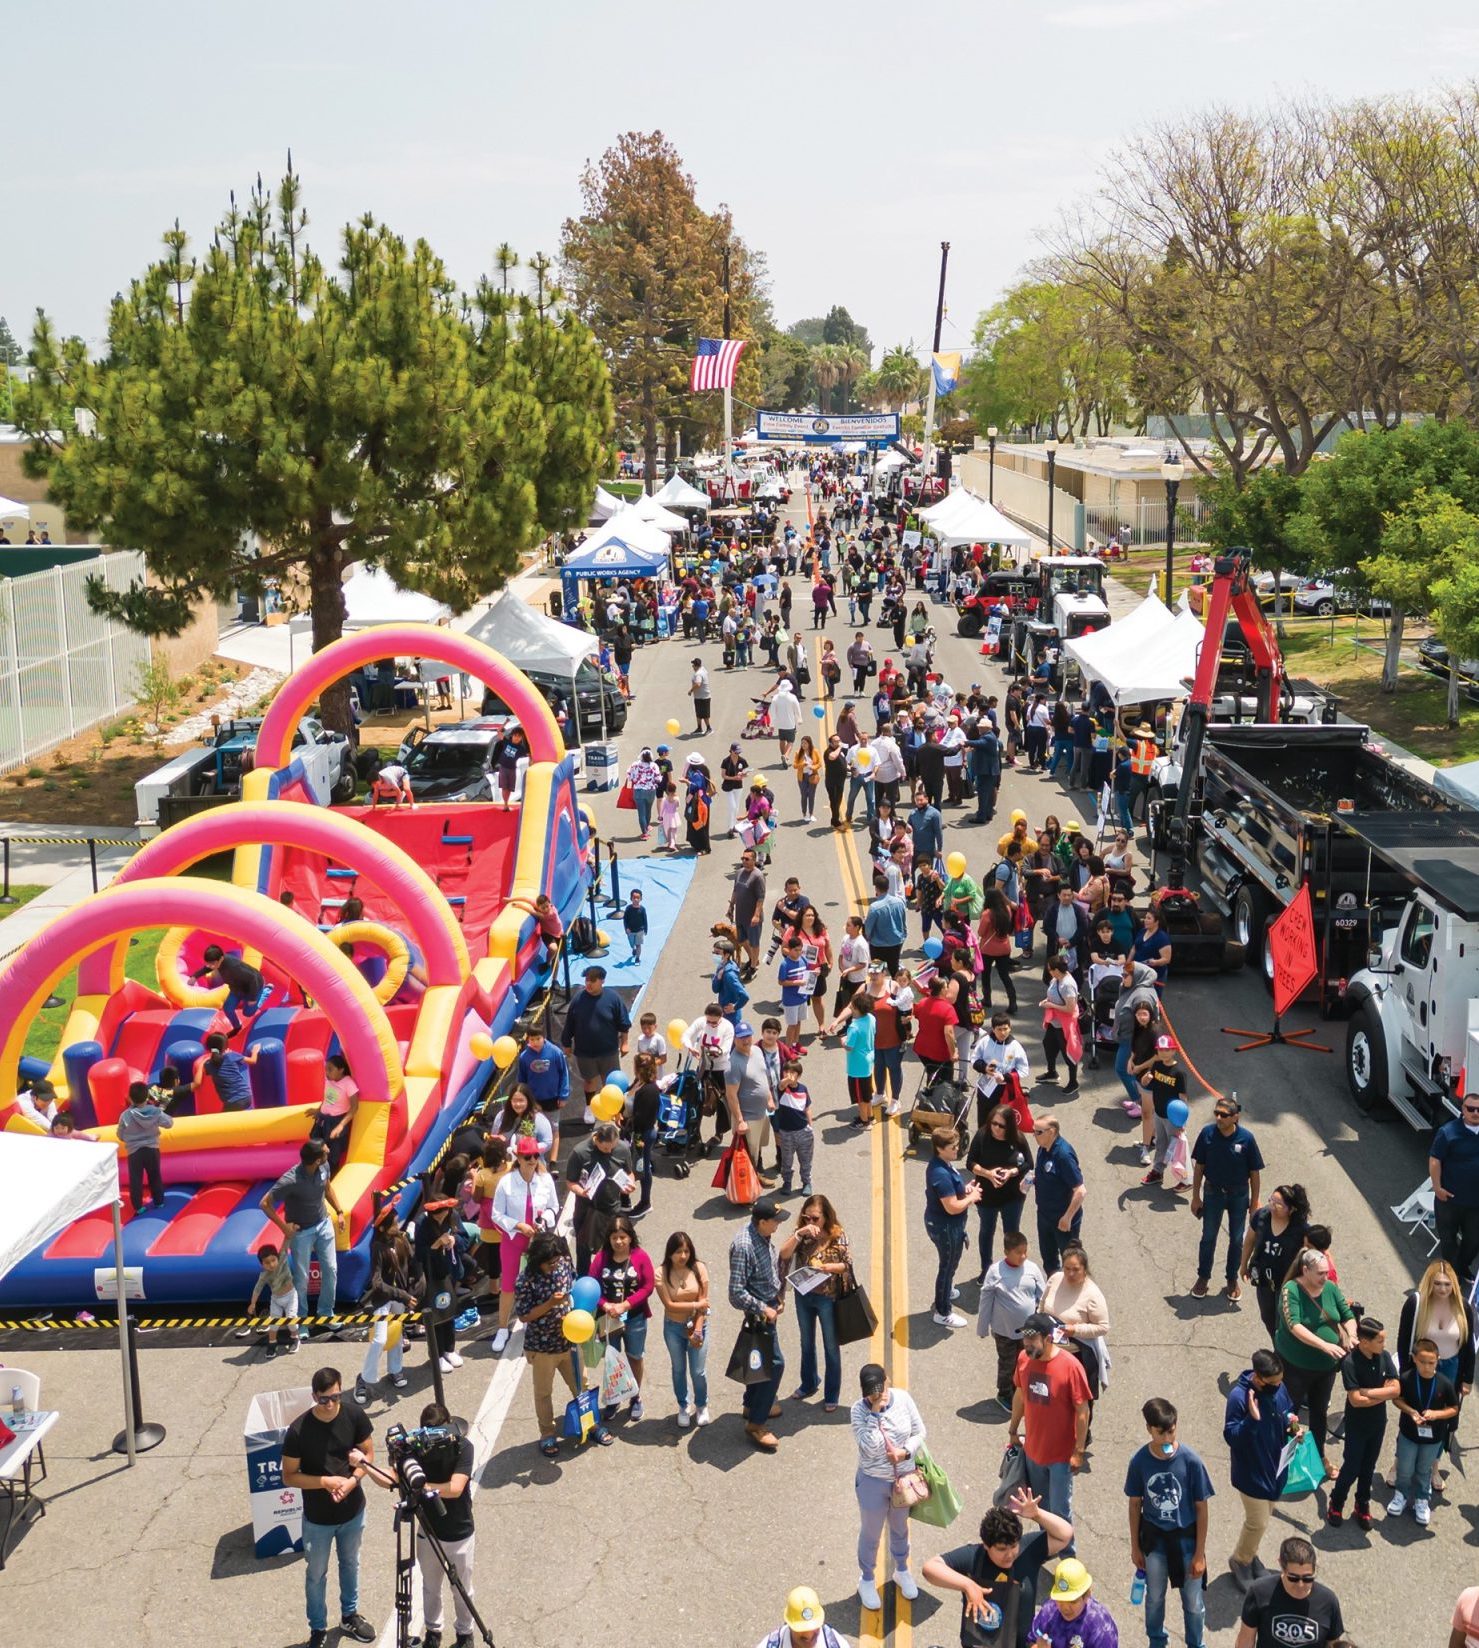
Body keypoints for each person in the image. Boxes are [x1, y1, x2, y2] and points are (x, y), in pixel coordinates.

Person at [280, 1367, 378, 1647]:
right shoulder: (298, 1431)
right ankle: (318, 1629)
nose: (331, 1404)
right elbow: (289, 1475)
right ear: (314, 1397)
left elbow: (368, 1454)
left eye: (335, 1396)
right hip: (318, 1519)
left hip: (353, 1511)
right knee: (316, 1575)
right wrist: (326, 1481)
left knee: (350, 1564)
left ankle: (350, 1615)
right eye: (324, 1399)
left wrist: (352, 1481)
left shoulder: (355, 1415)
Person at [921, 1488, 1074, 1648]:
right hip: (979, 1643)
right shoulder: (974, 1557)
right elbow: (930, 1568)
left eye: (1013, 1546)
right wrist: (968, 1585)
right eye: (1001, 1549)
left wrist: (1037, 1514)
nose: (1009, 1555)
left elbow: (1065, 1534)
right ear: (986, 1545)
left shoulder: (1028, 1550)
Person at [514, 1228, 612, 1455]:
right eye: (550, 1263)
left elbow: (577, 1287)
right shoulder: (525, 1280)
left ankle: (591, 1424)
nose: (555, 1266)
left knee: (582, 1386)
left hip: (571, 1342)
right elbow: (524, 1315)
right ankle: (547, 1434)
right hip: (542, 1347)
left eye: (557, 1261)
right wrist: (549, 1304)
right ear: (537, 1260)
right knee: (543, 1393)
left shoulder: (564, 1263)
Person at [1125, 1397, 1213, 1648]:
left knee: (1194, 1603)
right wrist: (1135, 1546)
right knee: (1154, 1598)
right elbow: (1134, 1505)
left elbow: (1202, 1508)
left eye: (1171, 1431)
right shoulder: (1140, 1461)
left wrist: (1199, 1554)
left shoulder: (1191, 1461)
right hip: (1155, 1543)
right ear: (1148, 1429)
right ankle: (1156, 1640)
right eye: (1160, 1433)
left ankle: (1196, 1644)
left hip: (1186, 1542)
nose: (1166, 1439)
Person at [851, 1362, 926, 1611]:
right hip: (872, 1482)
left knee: (900, 1528)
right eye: (871, 1391)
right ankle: (867, 1579)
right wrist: (875, 1412)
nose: (877, 1394)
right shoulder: (858, 1411)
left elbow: (919, 1431)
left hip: (902, 1481)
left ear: (888, 1381)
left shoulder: (903, 1399)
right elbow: (869, 1448)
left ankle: (902, 1570)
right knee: (871, 1534)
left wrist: (905, 1453)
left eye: (880, 1388)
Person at [1223, 1348, 1301, 1588]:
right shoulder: (1239, 1397)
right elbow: (1232, 1436)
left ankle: (1251, 1554)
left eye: (1280, 1382)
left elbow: (1286, 1409)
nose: (1278, 1386)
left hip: (1275, 1468)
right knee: (1257, 1522)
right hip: (1252, 1473)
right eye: (1272, 1383)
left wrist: (1292, 1426)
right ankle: (1240, 1560)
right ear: (1258, 1378)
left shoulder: (1278, 1388)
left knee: (1264, 1518)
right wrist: (1251, 1420)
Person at [1274, 1247, 1355, 1472]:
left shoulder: (1329, 1288)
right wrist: (1325, 1345)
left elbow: (1347, 1316)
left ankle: (1319, 1457)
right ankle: (1284, 1460)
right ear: (1305, 1270)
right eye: (1320, 1273)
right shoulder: (1291, 1290)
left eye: (1327, 1273)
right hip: (1296, 1365)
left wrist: (1351, 1335)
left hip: (1325, 1368)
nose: (1325, 1277)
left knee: (1319, 1413)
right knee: (1290, 1412)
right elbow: (1294, 1325)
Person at [1009, 1311, 1092, 1530]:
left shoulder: (1070, 1367)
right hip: (1033, 1451)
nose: (1027, 1345)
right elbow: (1020, 1395)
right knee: (1038, 1509)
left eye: (1032, 1340)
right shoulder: (1023, 1359)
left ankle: (1067, 1558)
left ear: (1048, 1338)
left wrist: (1078, 1451)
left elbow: (1083, 1411)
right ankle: (1043, 1548)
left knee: (1060, 1512)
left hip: (1061, 1456)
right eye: (1025, 1339)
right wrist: (1013, 1430)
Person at [260, 1139, 346, 1332]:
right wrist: (284, 1228)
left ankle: (326, 1313)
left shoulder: (324, 1166)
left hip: (323, 1224)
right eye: (325, 1151)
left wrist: (339, 1211)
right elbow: (264, 1203)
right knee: (301, 1278)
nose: (329, 1151)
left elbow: (327, 1187)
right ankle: (301, 1321)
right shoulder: (290, 1180)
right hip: (301, 1233)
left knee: (331, 1270)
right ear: (316, 1160)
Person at [729, 1197, 790, 1451]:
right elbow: (735, 1293)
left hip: (768, 1307)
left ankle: (751, 1404)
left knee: (759, 1361)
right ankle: (756, 1423)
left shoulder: (762, 1236)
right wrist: (763, 1307)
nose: (778, 1225)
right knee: (774, 1365)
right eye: (775, 1221)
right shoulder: (744, 1246)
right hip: (759, 1315)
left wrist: (777, 1296)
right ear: (762, 1222)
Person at [1327, 1316, 1399, 1528]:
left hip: (1378, 1423)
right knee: (1351, 1467)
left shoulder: (1384, 1356)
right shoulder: (1350, 1363)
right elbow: (1356, 1401)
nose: (1384, 1345)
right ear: (1365, 1342)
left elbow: (1396, 1390)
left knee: (1368, 1466)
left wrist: (1368, 1392)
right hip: (1357, 1426)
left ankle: (1362, 1503)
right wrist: (1383, 1394)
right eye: (1380, 1341)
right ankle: (1337, 1501)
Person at [781, 1192, 851, 1411]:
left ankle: (831, 1394)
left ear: (826, 1217)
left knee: (831, 1346)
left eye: (815, 1218)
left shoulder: (837, 1235)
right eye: (807, 1218)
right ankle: (809, 1383)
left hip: (827, 1298)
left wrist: (827, 1268)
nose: (811, 1222)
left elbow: (846, 1265)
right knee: (806, 1342)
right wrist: (799, 1234)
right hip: (804, 1295)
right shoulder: (802, 1234)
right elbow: (783, 1255)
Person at [490, 1135, 560, 1351]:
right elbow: (496, 1214)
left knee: (541, 1282)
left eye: (536, 1156)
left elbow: (553, 1207)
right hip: (513, 1240)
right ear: (518, 1158)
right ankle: (503, 1328)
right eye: (528, 1156)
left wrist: (544, 1220)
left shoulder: (545, 1179)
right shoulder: (506, 1182)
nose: (532, 1160)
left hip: (538, 1240)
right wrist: (518, 1225)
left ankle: (538, 1324)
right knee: (509, 1285)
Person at [1190, 1096, 1263, 1301]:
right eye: (1216, 1113)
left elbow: (1254, 1173)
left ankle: (1232, 1279)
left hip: (1239, 1196)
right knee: (1208, 1238)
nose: (1219, 1118)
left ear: (1235, 1117)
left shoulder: (1246, 1139)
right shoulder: (1207, 1134)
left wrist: (1254, 1203)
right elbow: (1199, 1168)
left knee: (1237, 1239)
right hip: (1213, 1193)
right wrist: (1196, 1197)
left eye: (1224, 1115)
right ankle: (1203, 1277)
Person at [1388, 1334, 1460, 1525]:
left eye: (1432, 1362)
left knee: (1423, 1470)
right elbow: (1396, 1399)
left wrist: (1436, 1414)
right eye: (1422, 1362)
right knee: (1404, 1467)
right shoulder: (1407, 1378)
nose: (1427, 1367)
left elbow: (1454, 1408)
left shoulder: (1444, 1383)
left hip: (1433, 1438)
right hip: (1408, 1434)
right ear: (1414, 1359)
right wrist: (1411, 1411)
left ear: (1438, 1360)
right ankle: (1401, 1495)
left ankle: (1421, 1500)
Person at [590, 1213, 655, 1422]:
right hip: (609, 1319)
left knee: (635, 1357)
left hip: (635, 1317)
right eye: (614, 1237)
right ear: (608, 1239)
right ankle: (613, 1398)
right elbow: (592, 1286)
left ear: (630, 1237)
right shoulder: (601, 1258)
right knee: (612, 1360)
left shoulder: (640, 1256)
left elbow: (648, 1286)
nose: (618, 1241)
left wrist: (626, 1304)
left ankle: (635, 1397)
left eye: (622, 1237)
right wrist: (605, 1305)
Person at [978, 1230, 1048, 1411]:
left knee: (1029, 1361)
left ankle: (1023, 1389)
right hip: (1004, 1331)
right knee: (1008, 1363)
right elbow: (986, 1300)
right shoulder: (995, 1272)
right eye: (1019, 1252)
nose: (1023, 1256)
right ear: (1006, 1252)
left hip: (1029, 1332)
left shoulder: (1032, 1269)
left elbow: (1044, 1296)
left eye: (1025, 1251)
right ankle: (1004, 1394)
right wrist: (982, 1327)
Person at [1235, 1537, 1343, 1648]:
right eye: (1293, 1578)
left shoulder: (1328, 1601)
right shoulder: (1259, 1592)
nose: (1300, 1585)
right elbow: (1246, 1640)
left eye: (1307, 1578)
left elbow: (1333, 1644)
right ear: (1281, 1565)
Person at [966, 1104, 1034, 1278]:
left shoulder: (1017, 1139)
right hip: (987, 1197)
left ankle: (1012, 1268)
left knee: (1011, 1233)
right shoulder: (982, 1136)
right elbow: (970, 1162)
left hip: (1012, 1197)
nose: (996, 1128)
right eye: (993, 1123)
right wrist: (988, 1174)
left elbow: (1029, 1163)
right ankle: (986, 1269)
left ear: (1009, 1126)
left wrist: (1012, 1172)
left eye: (1001, 1125)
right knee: (986, 1231)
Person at [1239, 1184, 1312, 1341]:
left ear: (1291, 1209)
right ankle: (1277, 1345)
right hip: (1264, 1280)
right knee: (1267, 1317)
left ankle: (1282, 1352)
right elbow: (1250, 1239)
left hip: (1287, 1284)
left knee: (1283, 1321)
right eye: (1271, 1200)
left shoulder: (1301, 1228)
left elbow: (1314, 1252)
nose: (1272, 1206)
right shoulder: (1261, 1216)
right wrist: (1243, 1264)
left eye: (1278, 1204)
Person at [925, 1125, 981, 1329]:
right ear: (940, 1149)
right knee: (947, 1266)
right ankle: (942, 1311)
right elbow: (952, 1207)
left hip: (947, 1225)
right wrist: (972, 1198)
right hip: (945, 1227)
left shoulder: (945, 1164)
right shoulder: (939, 1173)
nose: (957, 1150)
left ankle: (946, 1290)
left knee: (950, 1264)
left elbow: (952, 1194)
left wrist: (964, 1189)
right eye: (953, 1147)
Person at [1042, 1244, 1109, 1413]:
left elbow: (1102, 1327)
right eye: (1067, 1268)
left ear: (1085, 1269)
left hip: (1077, 1357)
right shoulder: (1055, 1279)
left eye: (1076, 1269)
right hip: (1051, 1351)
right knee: (1053, 1400)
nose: (1070, 1274)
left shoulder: (1093, 1294)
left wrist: (1075, 1330)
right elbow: (1042, 1305)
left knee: (1079, 1403)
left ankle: (1082, 1436)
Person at [560, 965, 630, 1125]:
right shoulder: (578, 1000)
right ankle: (590, 1107)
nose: (588, 984)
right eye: (586, 980)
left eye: (593, 980)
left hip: (608, 1051)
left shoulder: (613, 999)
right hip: (585, 1052)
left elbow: (624, 1023)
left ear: (602, 981)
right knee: (590, 1080)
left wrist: (624, 1043)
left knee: (611, 1081)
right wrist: (566, 1044)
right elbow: (569, 1024)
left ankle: (616, 1111)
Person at [656, 1230, 711, 1428]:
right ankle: (683, 1405)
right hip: (673, 1327)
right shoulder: (661, 1272)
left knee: (698, 1371)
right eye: (678, 1251)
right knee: (678, 1369)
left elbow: (704, 1305)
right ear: (670, 1253)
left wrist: (697, 1330)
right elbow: (669, 1305)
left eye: (686, 1251)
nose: (683, 1256)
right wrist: (696, 1305)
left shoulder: (699, 1268)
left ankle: (702, 1404)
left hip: (697, 1324)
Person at [565, 1120, 636, 1274]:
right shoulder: (580, 1152)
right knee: (584, 1253)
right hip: (587, 1211)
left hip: (612, 1210)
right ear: (596, 1139)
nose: (609, 1151)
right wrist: (581, 1192)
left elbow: (629, 1172)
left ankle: (608, 1283)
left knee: (612, 1251)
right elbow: (570, 1182)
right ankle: (584, 1282)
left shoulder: (622, 1148)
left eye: (612, 1147)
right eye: (605, 1148)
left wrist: (630, 1183)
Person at [1430, 1091, 1479, 1293]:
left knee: (1474, 1239)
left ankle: (1461, 1267)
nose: (1475, 1113)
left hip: (1475, 1203)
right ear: (1462, 1109)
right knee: (1448, 1240)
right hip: (1448, 1199)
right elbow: (1435, 1160)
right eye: (1471, 1109)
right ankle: (1452, 1276)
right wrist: (1437, 1187)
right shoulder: (1448, 1131)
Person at [1031, 1115, 1085, 1276]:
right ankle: (1054, 1289)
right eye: (1033, 1132)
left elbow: (1080, 1190)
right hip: (1045, 1215)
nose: (1034, 1136)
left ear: (1052, 1131)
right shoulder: (1043, 1148)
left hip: (1063, 1220)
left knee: (1071, 1263)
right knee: (1048, 1259)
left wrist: (1067, 1217)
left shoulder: (1063, 1155)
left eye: (1038, 1132)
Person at [726, 1021, 778, 1182]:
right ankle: (746, 1189)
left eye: (748, 1036)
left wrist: (769, 1097)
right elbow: (731, 1096)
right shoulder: (733, 1064)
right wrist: (740, 1121)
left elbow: (763, 1077)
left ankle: (755, 1178)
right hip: (748, 1118)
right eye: (742, 1037)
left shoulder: (756, 1051)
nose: (746, 1040)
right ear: (735, 1039)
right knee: (747, 1154)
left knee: (757, 1149)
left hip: (762, 1112)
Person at [1027, 1559, 1119, 1648]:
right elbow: (1032, 1640)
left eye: (1073, 1601)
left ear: (1086, 1595)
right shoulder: (1049, 1611)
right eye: (1061, 1600)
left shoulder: (1101, 1631)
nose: (1065, 1607)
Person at [515, 1027, 571, 1163]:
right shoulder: (524, 1058)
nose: (535, 1042)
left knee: (554, 1129)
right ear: (528, 1039)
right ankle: (536, 1158)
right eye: (532, 1039)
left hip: (552, 1099)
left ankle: (553, 1160)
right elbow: (522, 1081)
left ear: (543, 1038)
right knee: (532, 1129)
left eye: (538, 1039)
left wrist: (563, 1095)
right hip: (534, 1100)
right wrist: (526, 1100)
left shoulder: (555, 1052)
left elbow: (564, 1074)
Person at [117, 1080, 173, 1212]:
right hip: (152, 1148)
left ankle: (138, 1207)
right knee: (155, 1175)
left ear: (130, 1098)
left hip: (134, 1152)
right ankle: (159, 1202)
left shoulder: (125, 1115)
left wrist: (131, 1139)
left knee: (136, 1179)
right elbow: (169, 1123)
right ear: (147, 1096)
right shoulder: (155, 1112)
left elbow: (120, 1134)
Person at [192, 943, 271, 1035]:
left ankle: (265, 992)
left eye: (212, 963)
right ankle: (237, 1027)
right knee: (228, 1008)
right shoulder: (217, 962)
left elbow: (253, 978)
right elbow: (208, 968)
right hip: (237, 988)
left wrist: (253, 998)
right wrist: (195, 976)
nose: (210, 966)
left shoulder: (234, 967)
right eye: (208, 963)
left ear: (221, 959)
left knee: (248, 1013)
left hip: (253, 986)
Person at [754, 1586, 850, 1648]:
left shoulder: (837, 1645)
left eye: (813, 1627)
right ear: (789, 1624)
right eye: (801, 1629)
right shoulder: (770, 1645)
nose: (809, 1634)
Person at [1038, 956, 1081, 1096]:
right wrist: (1047, 1001)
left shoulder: (1067, 985)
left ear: (1056, 970)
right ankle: (1052, 1072)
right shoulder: (1056, 979)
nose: (1048, 971)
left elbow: (1070, 1008)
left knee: (1067, 1052)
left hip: (1064, 1024)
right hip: (1054, 1021)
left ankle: (1073, 1082)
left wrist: (1050, 1005)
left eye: (1050, 969)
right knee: (1048, 1044)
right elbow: (1052, 994)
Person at [250, 1241, 300, 1353]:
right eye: (267, 1263)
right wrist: (253, 1303)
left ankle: (295, 1338)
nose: (271, 1264)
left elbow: (286, 1243)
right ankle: (272, 1343)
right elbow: (257, 1289)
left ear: (277, 1258)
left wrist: (289, 1231)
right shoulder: (264, 1275)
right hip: (276, 1300)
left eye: (273, 1260)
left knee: (291, 1319)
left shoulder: (282, 1259)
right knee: (273, 1323)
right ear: (262, 1264)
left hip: (290, 1296)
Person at [192, 1032, 261, 1111]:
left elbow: (197, 1082)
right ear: (225, 1046)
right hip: (247, 1096)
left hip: (233, 1102)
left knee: (222, 1122)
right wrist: (255, 1051)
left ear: (208, 1047)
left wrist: (201, 1066)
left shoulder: (209, 1064)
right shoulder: (231, 1055)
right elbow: (253, 1061)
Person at [730, 847, 768, 979]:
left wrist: (756, 915)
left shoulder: (758, 876)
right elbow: (735, 891)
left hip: (752, 918)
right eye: (742, 858)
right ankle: (753, 959)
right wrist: (730, 907)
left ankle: (753, 967)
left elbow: (760, 898)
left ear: (754, 860)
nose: (744, 861)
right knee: (742, 940)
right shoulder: (739, 872)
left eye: (747, 859)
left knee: (754, 943)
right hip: (740, 915)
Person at [625, 746, 663, 839]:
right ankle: (647, 826)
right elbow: (658, 779)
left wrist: (630, 786)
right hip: (651, 791)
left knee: (641, 813)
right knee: (648, 810)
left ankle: (644, 832)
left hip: (638, 791)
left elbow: (629, 777)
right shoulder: (654, 766)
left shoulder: (634, 765)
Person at [621, 888, 648, 964]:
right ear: (631, 899)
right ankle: (634, 948)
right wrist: (626, 928)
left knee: (638, 944)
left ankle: (637, 958)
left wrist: (645, 929)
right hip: (630, 931)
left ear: (641, 899)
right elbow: (625, 919)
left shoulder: (642, 909)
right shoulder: (628, 909)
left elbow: (645, 919)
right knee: (632, 944)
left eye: (638, 898)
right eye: (634, 898)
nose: (636, 899)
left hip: (640, 930)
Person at [689, 656, 712, 733]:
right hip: (700, 697)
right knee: (698, 713)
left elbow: (698, 684)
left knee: (705, 714)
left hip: (703, 697)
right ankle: (699, 728)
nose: (692, 667)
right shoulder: (703, 670)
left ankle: (709, 728)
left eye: (693, 665)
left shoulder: (698, 674)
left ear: (696, 666)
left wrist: (691, 690)